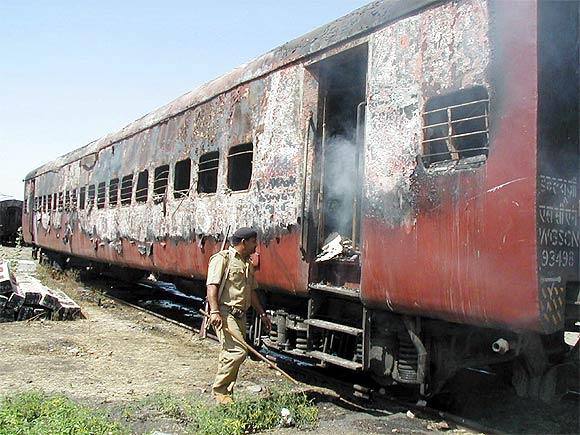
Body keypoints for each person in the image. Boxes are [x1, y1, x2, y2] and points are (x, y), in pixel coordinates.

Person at [206, 227, 272, 404]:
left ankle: (226, 394)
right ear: (243, 242)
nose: (256, 247)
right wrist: (214, 312)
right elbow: (212, 287)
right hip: (225, 313)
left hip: (240, 315)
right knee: (237, 352)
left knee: (228, 352)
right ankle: (220, 391)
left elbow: (251, 292)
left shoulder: (247, 263)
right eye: (253, 243)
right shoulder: (222, 259)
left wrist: (262, 314)